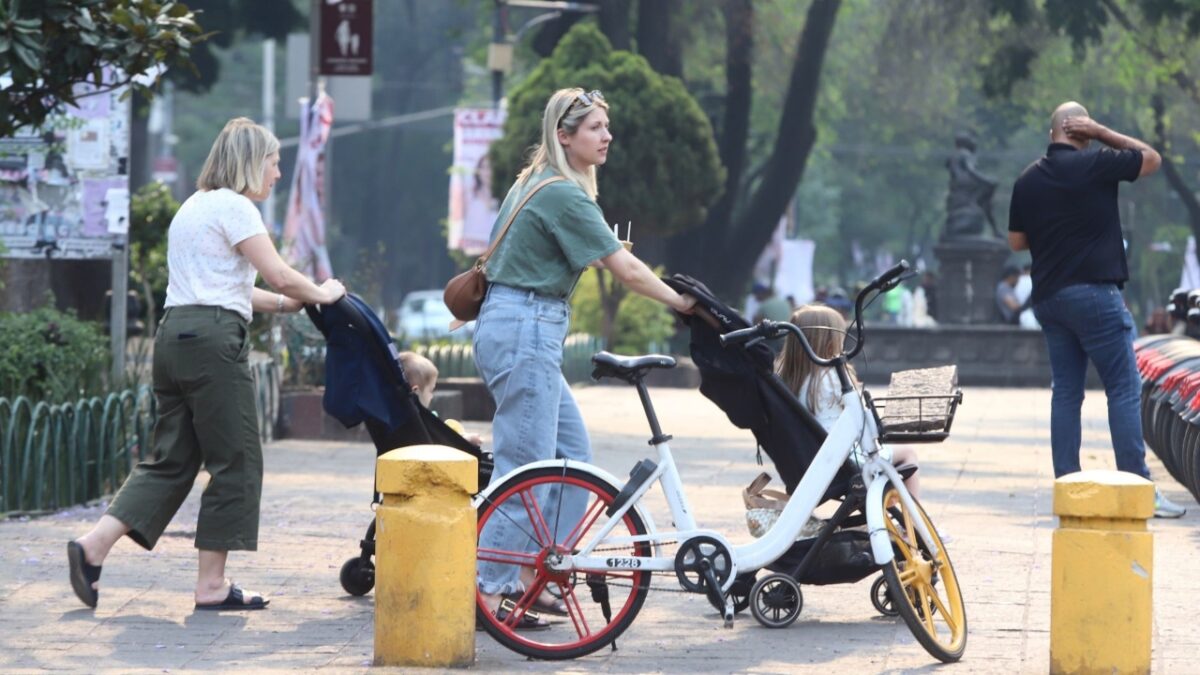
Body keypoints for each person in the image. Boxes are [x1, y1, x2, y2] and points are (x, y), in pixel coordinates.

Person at [67, 118, 347, 611]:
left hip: (174, 336)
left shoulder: (192, 207)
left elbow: (228, 287)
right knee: (236, 459)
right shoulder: (236, 206)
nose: (277, 173)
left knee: (171, 458)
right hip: (213, 344)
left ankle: (93, 546)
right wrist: (322, 292)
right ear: (249, 161)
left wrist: (289, 305)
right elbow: (279, 274)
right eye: (273, 162)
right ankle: (212, 586)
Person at [473, 88, 696, 628]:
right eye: (595, 127)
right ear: (564, 136)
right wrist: (682, 303)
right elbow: (625, 268)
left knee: (570, 453)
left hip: (521, 324)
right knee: (524, 471)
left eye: (606, 126)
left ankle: (528, 572)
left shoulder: (536, 183)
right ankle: (485, 589)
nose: (607, 136)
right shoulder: (562, 194)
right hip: (527, 326)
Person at [1008, 101, 1185, 518]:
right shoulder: (1097, 165)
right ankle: (1138, 489)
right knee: (1123, 388)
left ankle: (1067, 486)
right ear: (1081, 132)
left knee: (1066, 392)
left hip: (1051, 300)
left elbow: (1017, 242)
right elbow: (1152, 159)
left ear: (1052, 132)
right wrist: (1102, 131)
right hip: (1096, 297)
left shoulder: (1028, 179)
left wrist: (1054, 233)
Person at [776, 305, 921, 499]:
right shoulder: (831, 377)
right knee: (908, 454)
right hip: (846, 461)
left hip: (817, 462)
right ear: (829, 345)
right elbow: (858, 418)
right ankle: (910, 523)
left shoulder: (791, 380)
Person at [397, 351, 481, 446]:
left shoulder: (396, 421)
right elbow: (440, 442)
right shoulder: (419, 423)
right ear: (416, 392)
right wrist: (466, 439)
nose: (432, 396)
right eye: (431, 391)